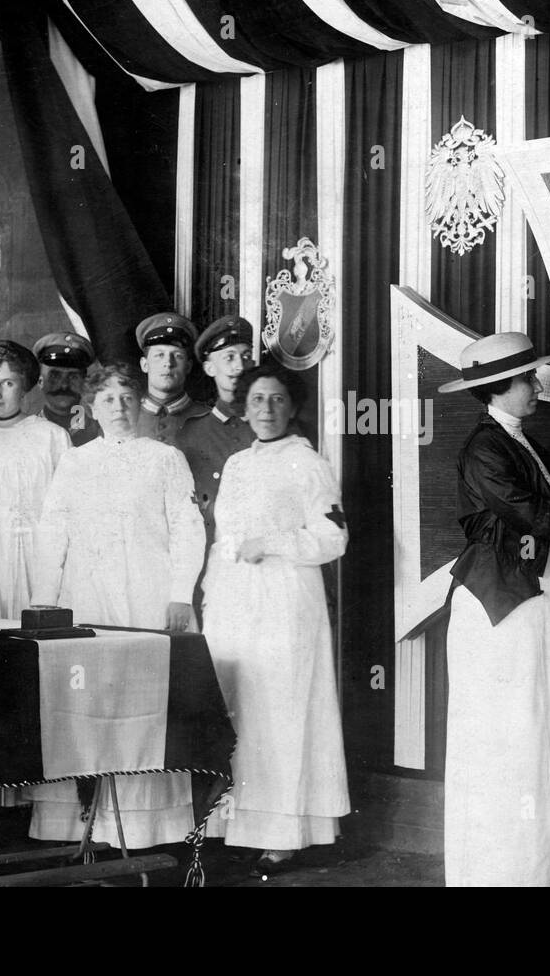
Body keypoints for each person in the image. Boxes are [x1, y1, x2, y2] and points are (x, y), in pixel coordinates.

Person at [436, 332, 550, 887]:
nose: (538, 386)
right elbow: (540, 518)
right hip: (500, 612)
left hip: (533, 597)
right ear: (498, 388)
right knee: (510, 736)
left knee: (546, 723)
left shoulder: (514, 439)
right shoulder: (485, 448)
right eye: (527, 379)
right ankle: (506, 871)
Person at [28, 362, 205, 848]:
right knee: (90, 703)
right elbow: (54, 531)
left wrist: (179, 594)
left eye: (127, 398)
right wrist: (46, 599)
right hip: (88, 598)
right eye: (108, 399)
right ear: (93, 407)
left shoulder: (165, 458)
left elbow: (188, 528)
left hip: (147, 599)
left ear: (139, 403)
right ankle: (85, 827)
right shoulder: (75, 462)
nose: (120, 408)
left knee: (142, 705)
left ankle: (146, 827)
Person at [201, 361, 350, 875]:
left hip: (286, 600)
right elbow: (226, 540)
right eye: (258, 400)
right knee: (244, 712)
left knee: (283, 713)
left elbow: (334, 539)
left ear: (293, 407)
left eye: (277, 400)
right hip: (236, 602)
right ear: (243, 407)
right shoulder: (239, 464)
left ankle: (284, 837)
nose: (267, 409)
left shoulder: (307, 462)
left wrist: (273, 544)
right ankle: (245, 827)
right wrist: (210, 594)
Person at [0, 340, 70, 619]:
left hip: (42, 545)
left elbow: (69, 502)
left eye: (7, 383)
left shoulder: (52, 436)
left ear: (25, 386)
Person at [173, 315, 256, 614]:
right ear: (209, 368)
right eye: (229, 357)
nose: (238, 366)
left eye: (246, 356)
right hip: (209, 562)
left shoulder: (271, 427)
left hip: (260, 559)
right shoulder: (190, 434)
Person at [135, 312, 207, 444]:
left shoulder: (206, 418)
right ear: (144, 365)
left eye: (178, 356)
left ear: (188, 366)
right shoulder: (128, 416)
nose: (168, 363)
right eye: (159, 355)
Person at [34, 331, 101, 447]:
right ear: (40, 382)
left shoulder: (101, 432)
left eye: (73, 376)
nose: (64, 385)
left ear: (85, 383)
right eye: (55, 376)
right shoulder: (27, 433)